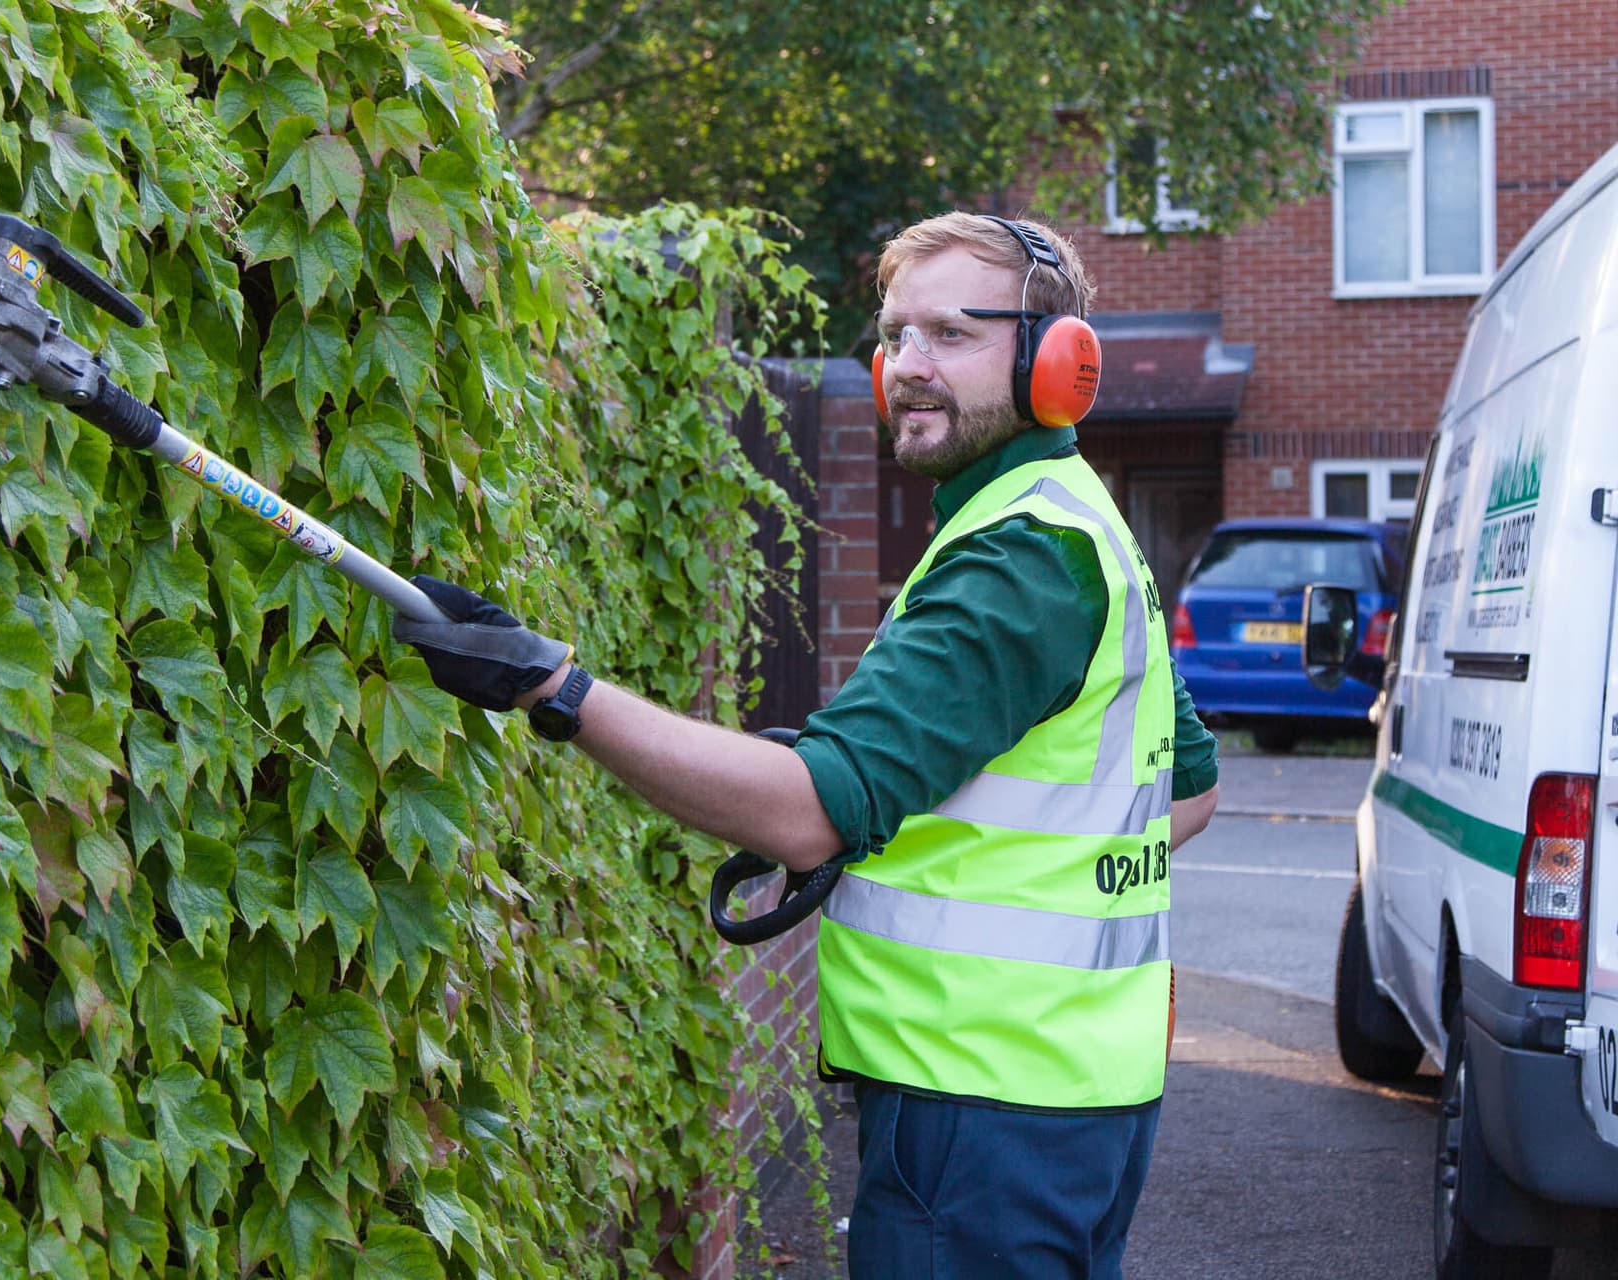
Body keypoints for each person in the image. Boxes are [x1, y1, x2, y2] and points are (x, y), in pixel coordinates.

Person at [395, 211, 1221, 1279]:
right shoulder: (1080, 524)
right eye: (895, 334)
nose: (909, 366)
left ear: (1057, 360)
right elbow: (1186, 789)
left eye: (952, 334)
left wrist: (552, 685)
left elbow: (806, 807)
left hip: (980, 1108)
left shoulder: (1018, 560)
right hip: (1083, 1103)